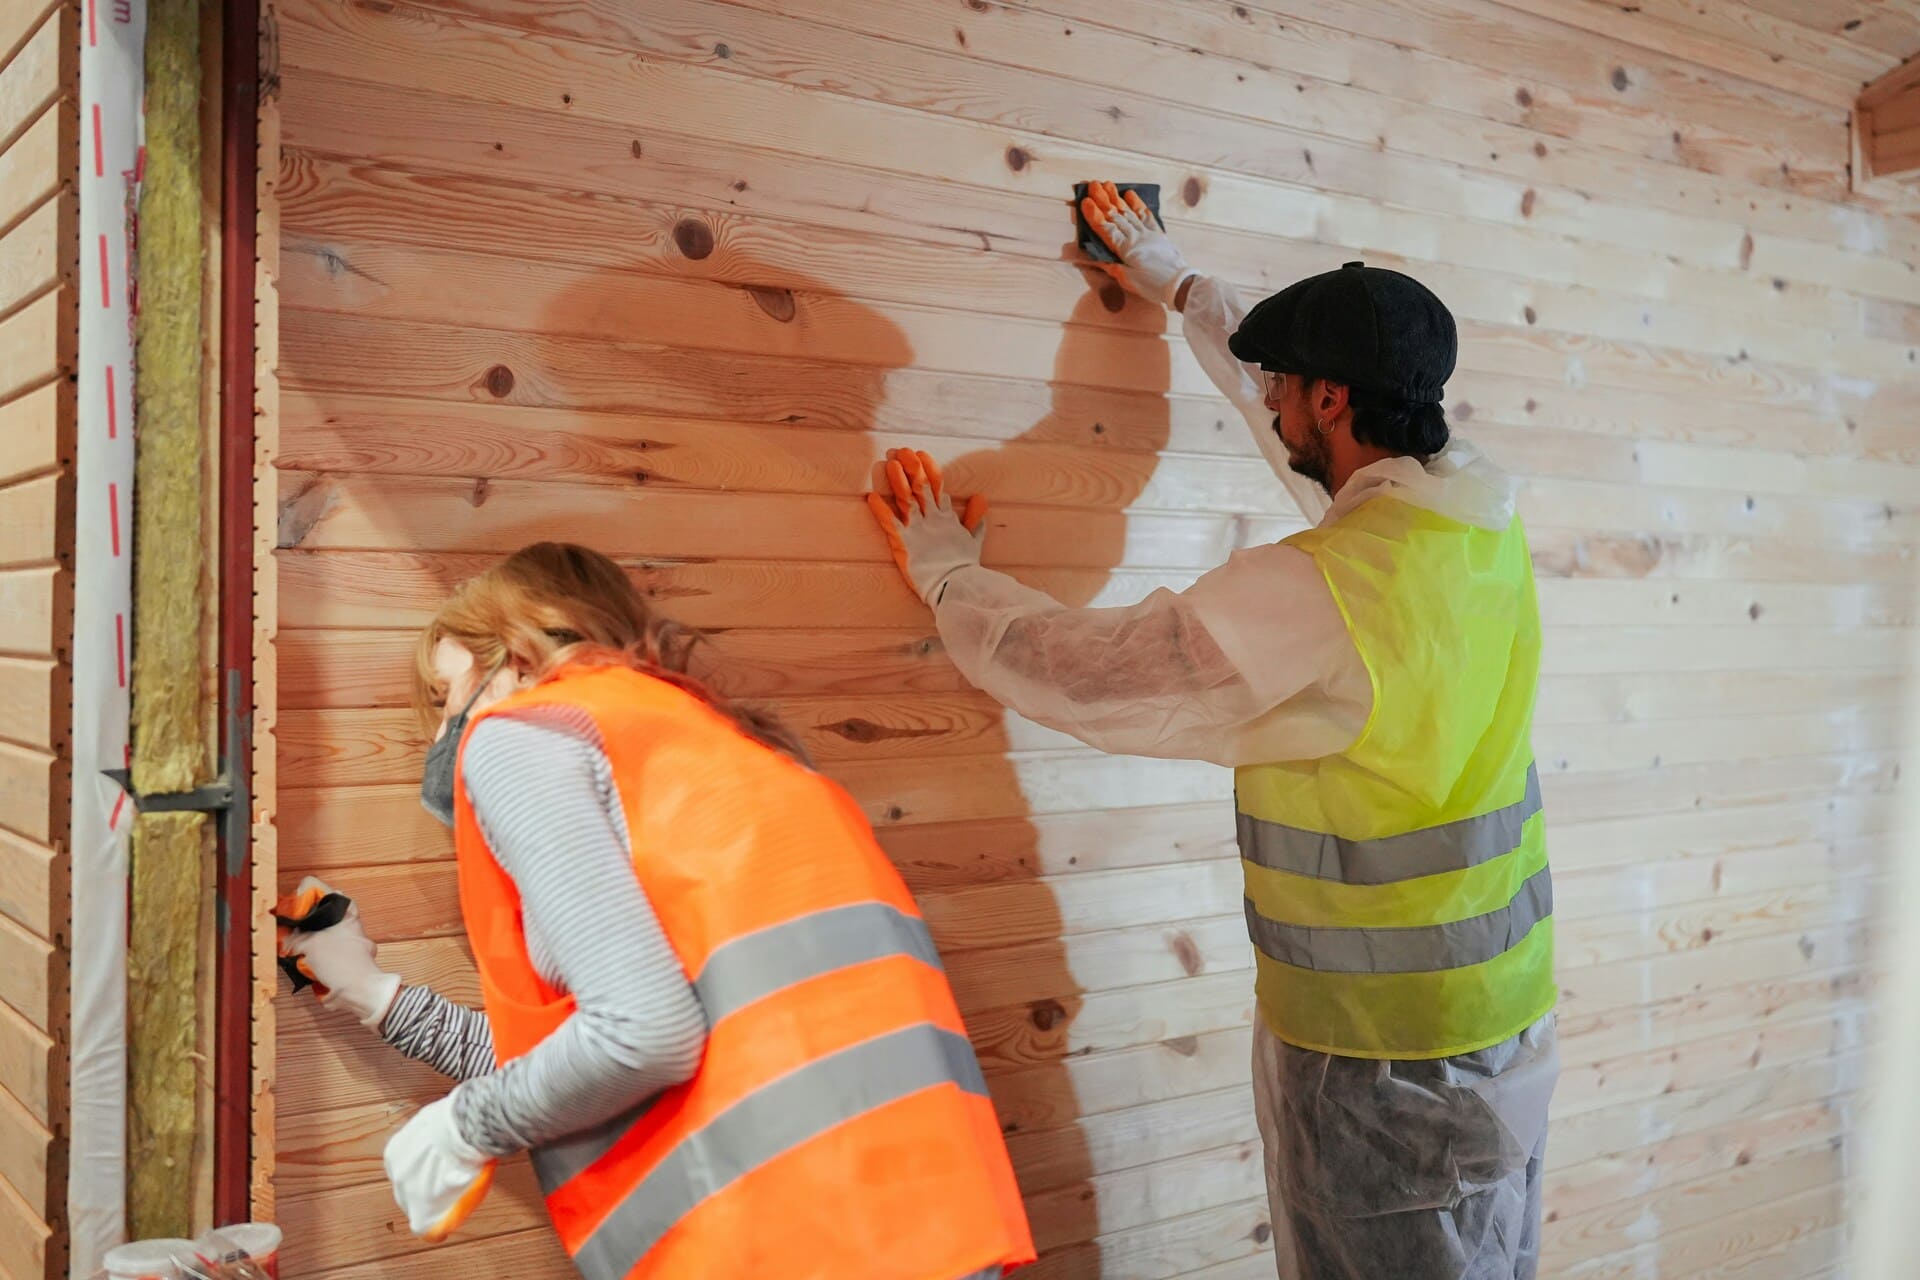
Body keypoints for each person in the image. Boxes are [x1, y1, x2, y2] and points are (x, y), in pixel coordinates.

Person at [866, 182, 1559, 1280]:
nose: (1272, 402)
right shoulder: (1475, 519)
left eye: (1289, 386)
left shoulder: (1320, 592)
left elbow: (1091, 675)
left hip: (1382, 1059)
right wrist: (1171, 278)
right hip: (1505, 1022)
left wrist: (951, 576)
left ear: (1331, 397)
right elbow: (1292, 430)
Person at [278, 541, 1035, 1280]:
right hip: (925, 1214)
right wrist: (373, 994)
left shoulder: (521, 737)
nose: (444, 734)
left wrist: (464, 1126)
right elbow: (588, 1063)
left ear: (517, 657)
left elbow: (643, 1038)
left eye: (447, 696)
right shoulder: (729, 752)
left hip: (792, 1233)